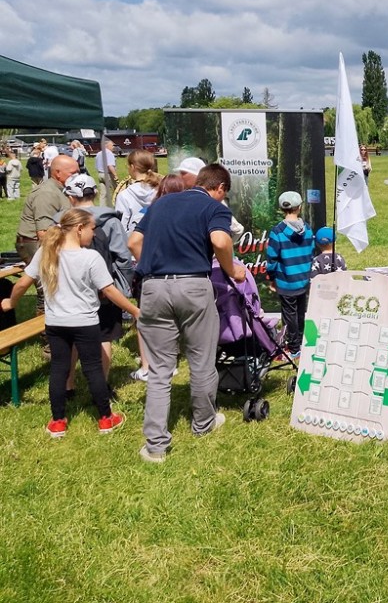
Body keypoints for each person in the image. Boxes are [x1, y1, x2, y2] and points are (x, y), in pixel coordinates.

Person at [129, 163, 246, 463]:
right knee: (201, 360)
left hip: (153, 287)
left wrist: (153, 267)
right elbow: (220, 240)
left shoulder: (161, 203)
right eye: (224, 194)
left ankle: (155, 447)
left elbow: (133, 241)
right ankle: (204, 423)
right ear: (220, 188)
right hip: (194, 285)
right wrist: (233, 270)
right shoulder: (214, 208)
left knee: (159, 369)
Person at [2, 209, 137, 438]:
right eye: (92, 229)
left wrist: (11, 302)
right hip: (85, 323)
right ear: (79, 228)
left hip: (55, 323)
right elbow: (109, 291)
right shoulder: (90, 257)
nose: (94, 234)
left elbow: (22, 283)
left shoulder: (46, 252)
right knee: (93, 369)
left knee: (59, 368)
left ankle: (57, 422)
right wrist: (135, 311)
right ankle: (106, 419)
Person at [58, 173, 134, 390]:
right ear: (95, 193)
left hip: (70, 290)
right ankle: (101, 385)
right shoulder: (111, 221)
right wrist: (124, 285)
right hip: (104, 290)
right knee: (104, 336)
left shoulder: (62, 222)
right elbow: (123, 257)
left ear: (71, 198)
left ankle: (68, 384)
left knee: (70, 337)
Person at [16, 154, 80, 334]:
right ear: (58, 173)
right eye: (73, 172)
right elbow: (44, 233)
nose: (77, 175)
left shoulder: (61, 190)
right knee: (48, 287)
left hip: (52, 241)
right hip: (34, 244)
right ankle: (47, 335)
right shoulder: (47, 193)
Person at [266, 191, 315, 360]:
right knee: (300, 312)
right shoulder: (308, 229)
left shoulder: (277, 231)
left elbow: (272, 258)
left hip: (286, 282)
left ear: (281, 209)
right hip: (303, 280)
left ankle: (294, 348)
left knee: (289, 315)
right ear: (299, 207)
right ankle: (300, 341)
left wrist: (271, 277)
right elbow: (311, 252)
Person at [115, 150, 163, 234]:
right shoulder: (161, 191)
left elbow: (120, 228)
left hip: (133, 240)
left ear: (132, 167)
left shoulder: (124, 195)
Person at [94, 141, 119, 206]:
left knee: (103, 194)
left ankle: (102, 208)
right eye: (112, 145)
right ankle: (117, 206)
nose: (113, 147)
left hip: (100, 174)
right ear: (107, 146)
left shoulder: (99, 154)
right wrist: (115, 175)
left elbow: (96, 166)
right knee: (116, 191)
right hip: (108, 175)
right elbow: (110, 165)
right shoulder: (109, 153)